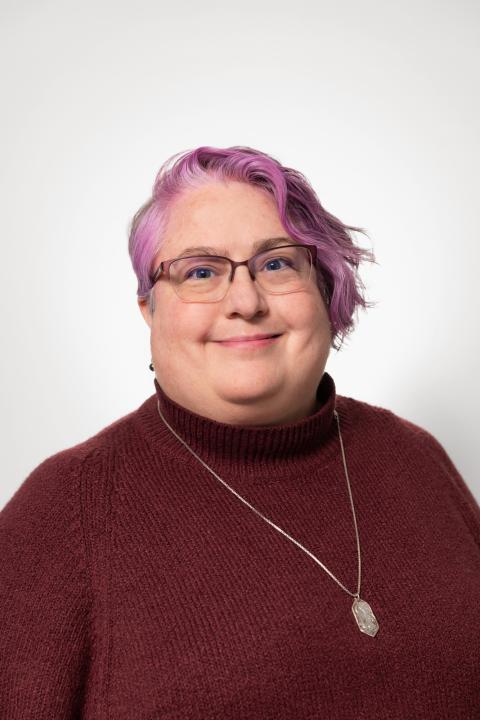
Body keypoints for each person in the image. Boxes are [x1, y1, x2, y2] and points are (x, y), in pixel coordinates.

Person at [1, 145, 479, 719]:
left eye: (277, 263)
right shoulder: (68, 508)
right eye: (200, 272)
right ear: (149, 309)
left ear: (325, 288)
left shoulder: (414, 456)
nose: (245, 302)